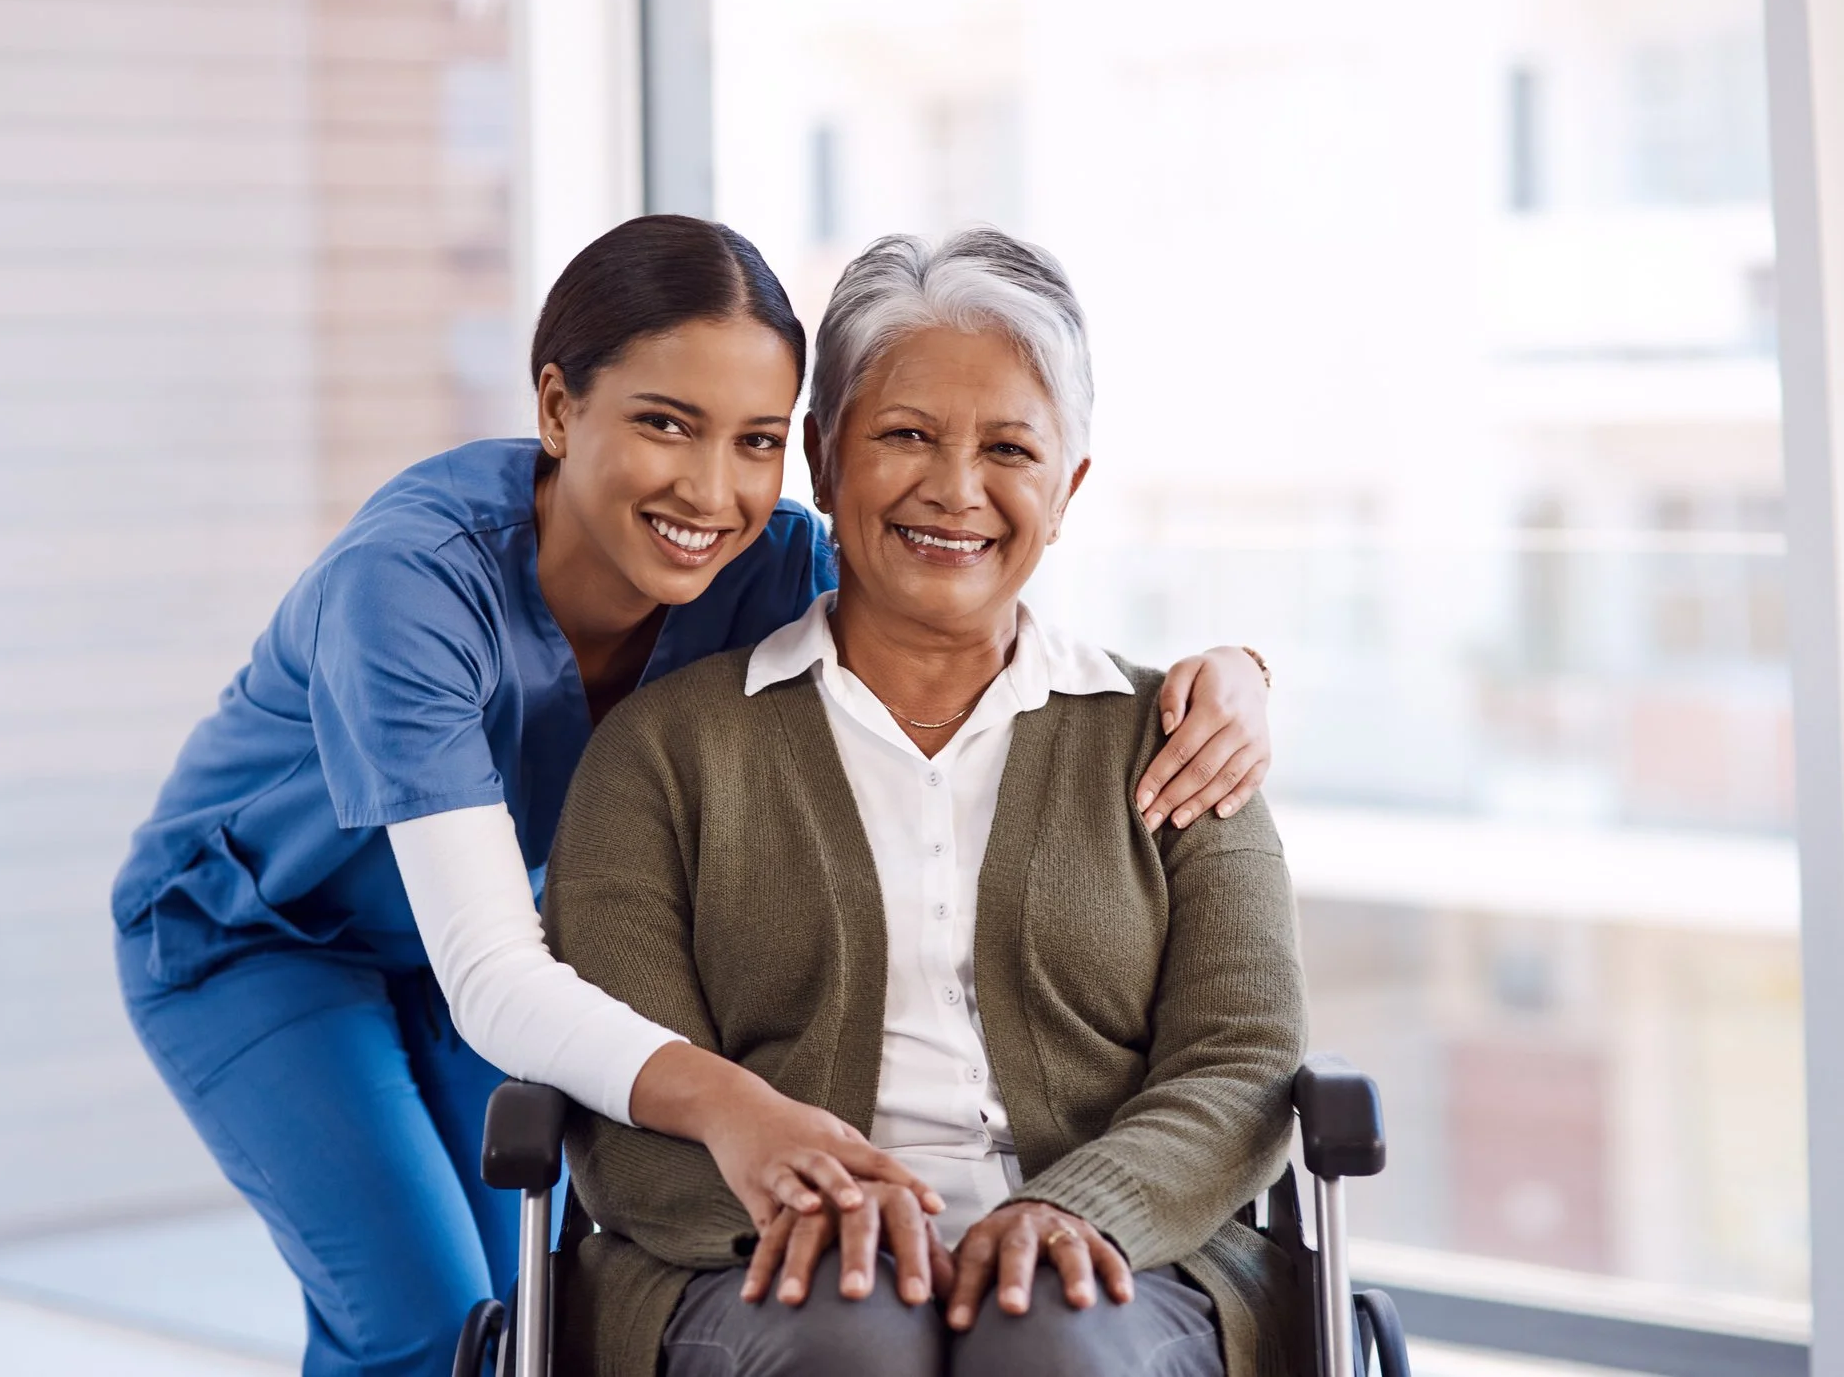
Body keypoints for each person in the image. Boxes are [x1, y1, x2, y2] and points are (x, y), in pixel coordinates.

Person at [112, 215, 1276, 1376]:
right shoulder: (409, 588)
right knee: (420, 1320)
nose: (713, 488)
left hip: (507, 926)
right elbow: (494, 976)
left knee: (512, 1314)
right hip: (265, 935)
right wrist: (736, 1108)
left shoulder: (766, 559)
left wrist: (1241, 677)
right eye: (666, 424)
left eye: (756, 440)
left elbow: (938, 602)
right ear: (559, 408)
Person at [542, 227, 1307, 1377]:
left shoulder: (1183, 744)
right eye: (905, 435)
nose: (955, 489)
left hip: (1124, 1270)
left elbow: (1242, 1056)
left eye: (1009, 448)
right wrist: (817, 1211)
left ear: (1067, 491)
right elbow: (623, 1075)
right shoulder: (663, 753)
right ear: (821, 459)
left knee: (1051, 1338)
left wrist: (1085, 1208)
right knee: (850, 1335)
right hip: (754, 1266)